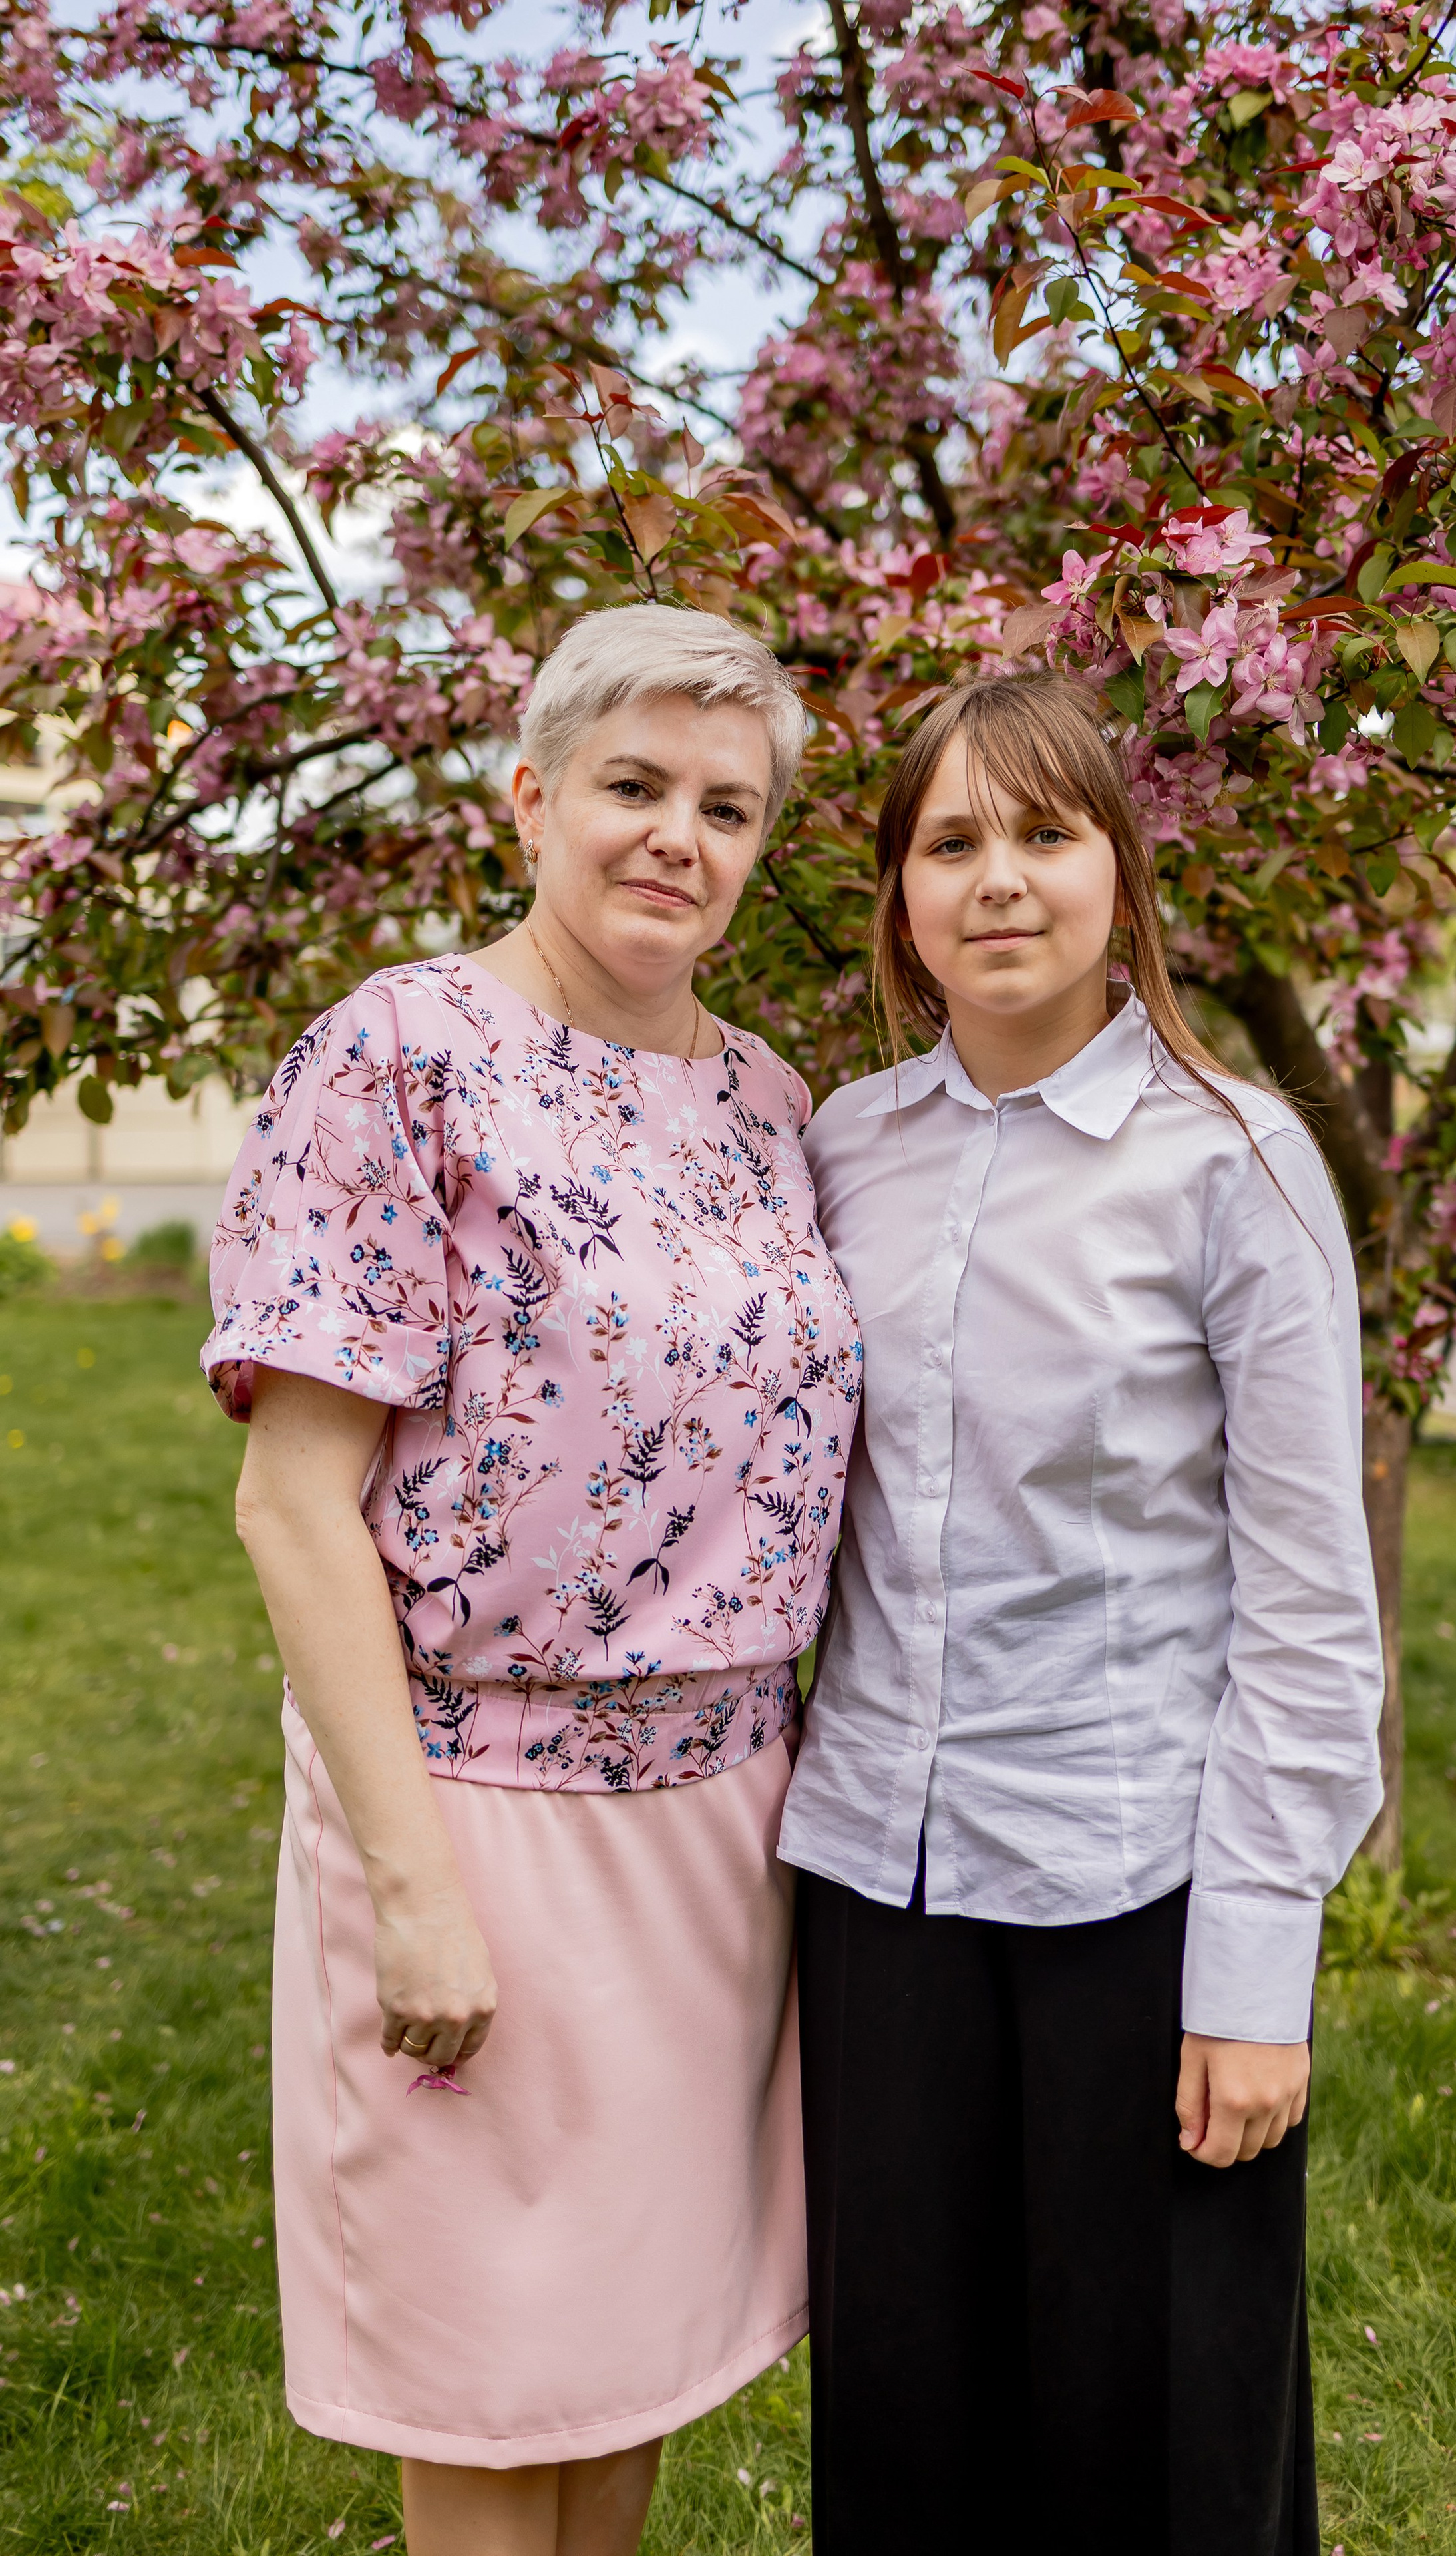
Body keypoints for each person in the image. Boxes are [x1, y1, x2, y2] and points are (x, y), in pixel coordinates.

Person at [202, 604, 862, 2556]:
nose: (678, 837)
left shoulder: (770, 1104)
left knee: (630, 2362)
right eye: (634, 786)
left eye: (726, 808)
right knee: (492, 2382)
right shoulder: (400, 1057)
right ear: (532, 797)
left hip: (722, 1820)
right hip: (472, 1810)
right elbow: (293, 1506)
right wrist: (414, 1889)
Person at [779, 672, 1385, 2555]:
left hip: (1141, 1890)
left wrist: (1256, 1977)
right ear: (899, 893)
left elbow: (1310, 1606)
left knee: (1160, 2442)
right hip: (876, 1886)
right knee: (907, 2429)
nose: (1000, 881)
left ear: (1121, 869)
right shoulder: (840, 1149)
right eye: (951, 841)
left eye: (1046, 833)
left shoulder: (1237, 1163)